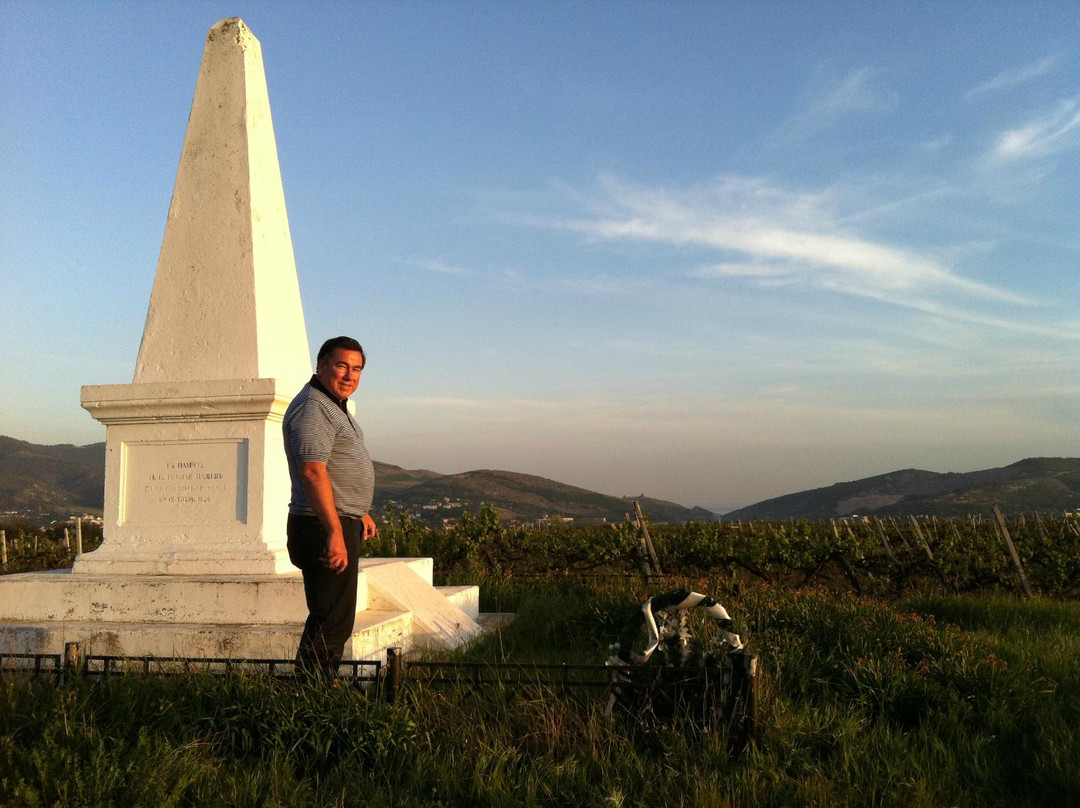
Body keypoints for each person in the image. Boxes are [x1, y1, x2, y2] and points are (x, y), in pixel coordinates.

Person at [283, 336, 377, 677]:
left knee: (334, 615)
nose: (350, 375)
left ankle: (313, 691)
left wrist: (358, 509)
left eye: (357, 369)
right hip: (322, 525)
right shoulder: (313, 409)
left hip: (336, 519)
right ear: (321, 366)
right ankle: (310, 695)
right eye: (341, 366)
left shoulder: (333, 404)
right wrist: (336, 530)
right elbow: (312, 470)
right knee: (331, 618)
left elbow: (334, 467)